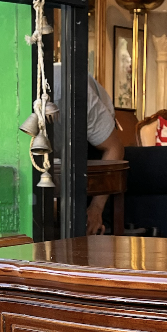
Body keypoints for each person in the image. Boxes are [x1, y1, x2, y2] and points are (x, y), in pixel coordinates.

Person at [51, 63, 125, 234]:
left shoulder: (74, 93)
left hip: (93, 144)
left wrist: (96, 207)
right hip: (55, 148)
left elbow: (113, 148)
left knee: (88, 221)